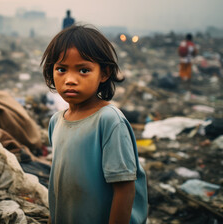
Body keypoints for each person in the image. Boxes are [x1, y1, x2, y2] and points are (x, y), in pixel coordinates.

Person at [41, 25, 148, 224]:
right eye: (61, 69)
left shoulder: (109, 121)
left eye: (83, 70)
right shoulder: (56, 121)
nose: (70, 80)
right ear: (51, 71)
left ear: (104, 73)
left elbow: (125, 190)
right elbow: (59, 185)